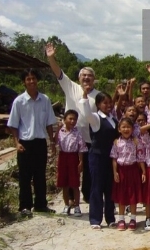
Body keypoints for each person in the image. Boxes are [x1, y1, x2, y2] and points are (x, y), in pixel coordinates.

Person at [47, 43, 99, 203]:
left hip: (90, 138)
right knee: (70, 168)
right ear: (79, 78)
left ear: (94, 79)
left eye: (89, 76)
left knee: (88, 169)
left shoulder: (99, 95)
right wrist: (51, 57)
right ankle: (69, 197)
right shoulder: (71, 87)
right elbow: (58, 73)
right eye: (84, 75)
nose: (86, 78)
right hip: (71, 138)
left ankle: (87, 195)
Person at [8, 69, 57, 217]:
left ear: (37, 80)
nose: (31, 81)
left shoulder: (45, 100)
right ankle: (25, 206)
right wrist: (17, 143)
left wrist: (52, 142)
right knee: (25, 176)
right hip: (25, 143)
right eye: (28, 79)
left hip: (40, 142)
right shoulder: (19, 101)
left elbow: (49, 123)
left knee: (40, 175)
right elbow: (14, 125)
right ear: (24, 82)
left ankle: (41, 205)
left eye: (33, 78)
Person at [79, 85, 119, 229]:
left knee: (110, 188)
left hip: (110, 158)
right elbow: (86, 113)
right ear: (98, 104)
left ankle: (110, 218)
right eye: (104, 103)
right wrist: (84, 95)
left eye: (110, 102)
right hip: (97, 157)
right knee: (96, 187)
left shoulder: (113, 119)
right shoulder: (96, 118)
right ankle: (95, 220)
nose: (108, 105)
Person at [110, 118, 146, 231]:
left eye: (128, 127)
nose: (126, 129)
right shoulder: (116, 142)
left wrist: (143, 172)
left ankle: (133, 219)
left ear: (132, 129)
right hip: (121, 171)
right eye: (123, 127)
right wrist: (115, 172)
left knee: (132, 195)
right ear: (119, 129)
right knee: (122, 195)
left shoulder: (136, 142)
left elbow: (140, 158)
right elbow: (114, 158)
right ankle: (121, 219)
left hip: (133, 170)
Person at [54, 110, 88, 216]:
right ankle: (66, 205)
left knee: (75, 183)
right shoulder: (61, 131)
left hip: (73, 157)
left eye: (74, 119)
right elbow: (55, 142)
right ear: (65, 119)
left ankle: (77, 206)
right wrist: (58, 129)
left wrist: (81, 161)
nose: (72, 121)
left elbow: (81, 148)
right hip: (63, 156)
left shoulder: (77, 133)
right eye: (70, 118)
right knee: (64, 184)